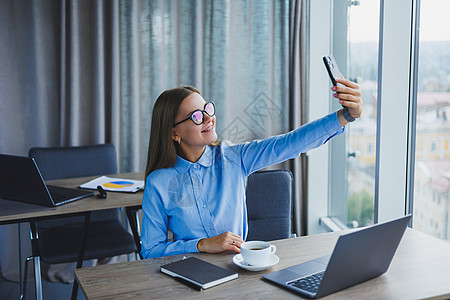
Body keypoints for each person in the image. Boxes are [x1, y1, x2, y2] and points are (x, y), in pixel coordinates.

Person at [141, 78, 362, 259]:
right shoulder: (158, 182)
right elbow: (151, 251)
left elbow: (290, 143)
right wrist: (202, 245)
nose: (209, 118)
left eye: (207, 108)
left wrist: (346, 116)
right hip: (188, 278)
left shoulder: (234, 157)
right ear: (174, 133)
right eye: (196, 116)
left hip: (240, 270)